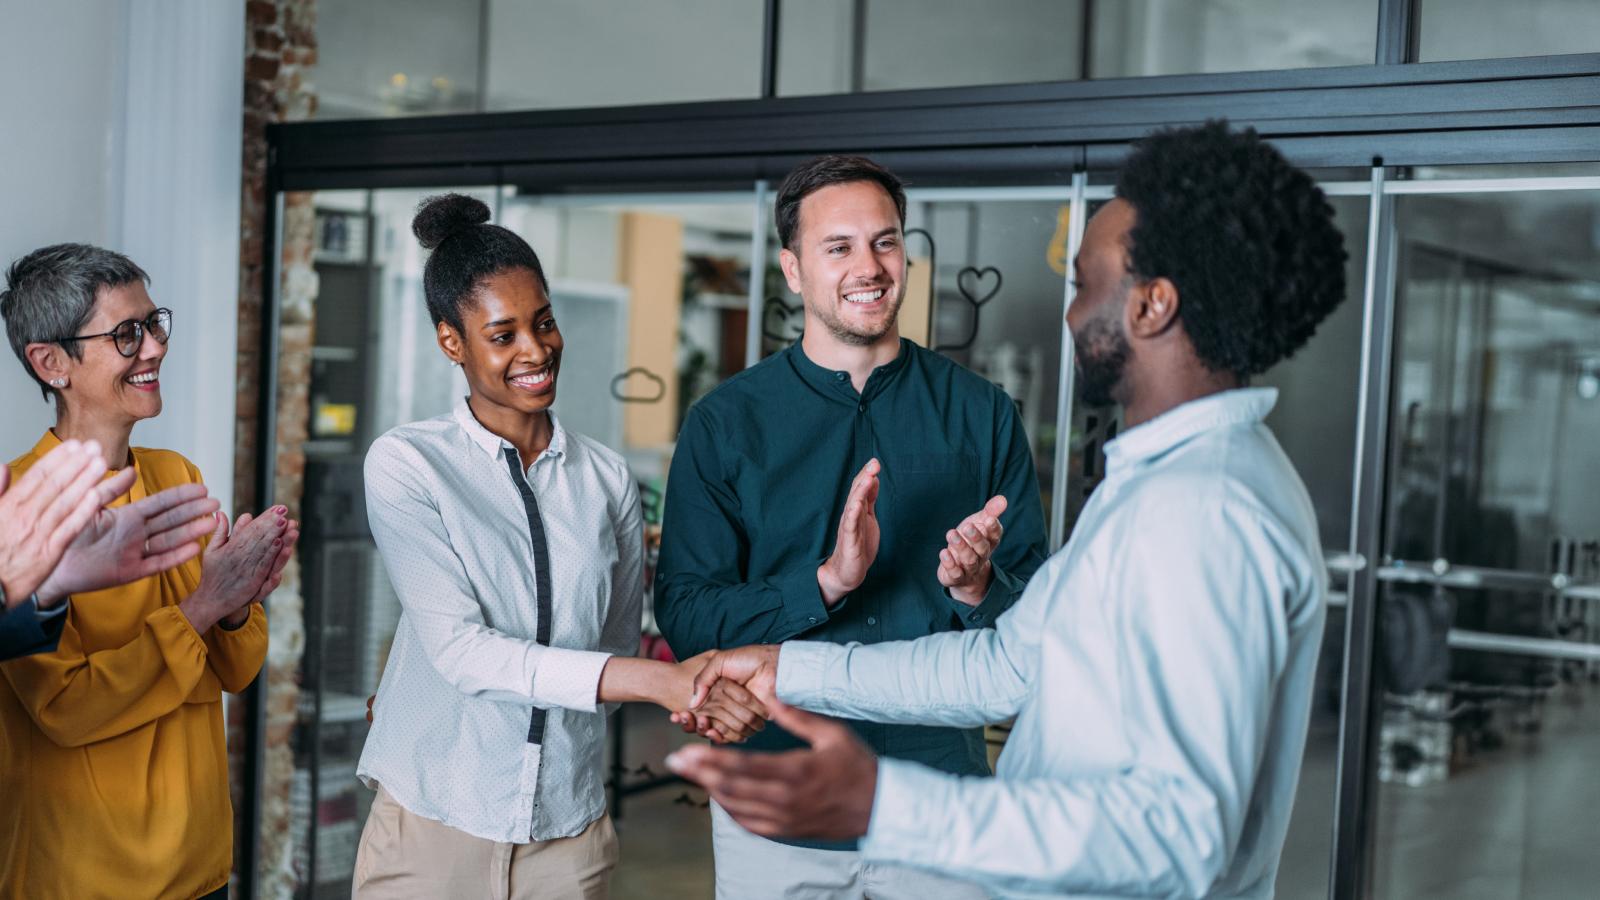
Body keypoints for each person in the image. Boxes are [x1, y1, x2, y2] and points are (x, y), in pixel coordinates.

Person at [668, 121, 1349, 899]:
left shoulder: (1204, 512)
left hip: (946, 815)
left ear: (1154, 305)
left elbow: (1180, 832)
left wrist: (890, 803)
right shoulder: (1155, 488)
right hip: (798, 813)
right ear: (793, 269)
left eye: (1085, 283)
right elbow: (1011, 665)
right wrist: (789, 662)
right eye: (838, 247)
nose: (1068, 313)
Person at [654, 155, 1049, 899]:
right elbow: (686, 616)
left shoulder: (983, 413)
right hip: (776, 802)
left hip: (938, 800)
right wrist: (824, 583)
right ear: (793, 270)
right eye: (838, 247)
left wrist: (978, 586)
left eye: (887, 241)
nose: (869, 266)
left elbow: (1038, 619)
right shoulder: (724, 424)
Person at [352, 194, 764, 900]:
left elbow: (608, 651)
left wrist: (689, 692)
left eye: (543, 323)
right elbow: (460, 650)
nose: (536, 350)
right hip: (433, 826)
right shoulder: (407, 464)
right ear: (452, 341)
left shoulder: (607, 480)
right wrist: (663, 681)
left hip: (568, 837)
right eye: (503, 334)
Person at [1, 243, 295, 900]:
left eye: (154, 323)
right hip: (83, 877)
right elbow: (65, 710)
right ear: (51, 363)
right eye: (126, 334)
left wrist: (237, 604)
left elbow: (235, 671)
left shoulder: (174, 475)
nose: (155, 347)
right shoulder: (16, 509)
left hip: (200, 869)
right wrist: (199, 609)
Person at [0, 437, 221, 661]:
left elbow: (237, 672)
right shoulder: (20, 491)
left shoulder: (177, 470)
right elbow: (55, 693)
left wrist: (44, 591)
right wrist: (200, 610)